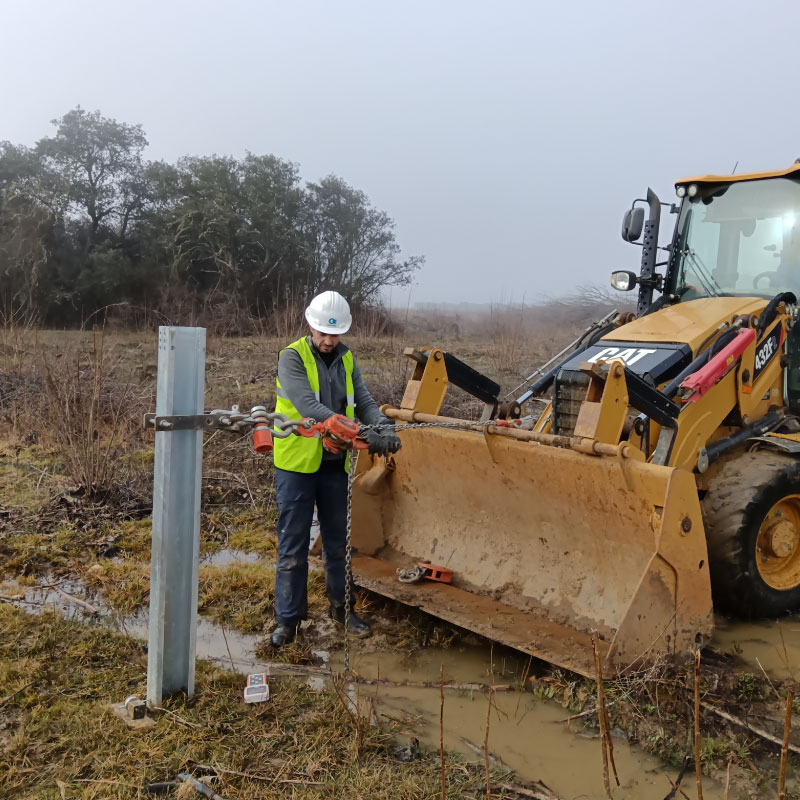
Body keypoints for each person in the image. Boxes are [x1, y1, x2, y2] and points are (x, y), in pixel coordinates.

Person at [269, 290, 402, 647]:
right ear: (311, 325)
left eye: (335, 334)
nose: (329, 341)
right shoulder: (291, 357)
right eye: (323, 333)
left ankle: (343, 609)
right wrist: (358, 431)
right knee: (293, 544)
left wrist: (381, 427)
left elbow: (364, 400)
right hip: (297, 464)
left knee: (339, 542)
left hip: (334, 465)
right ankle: (288, 620)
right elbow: (307, 405)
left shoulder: (346, 359)